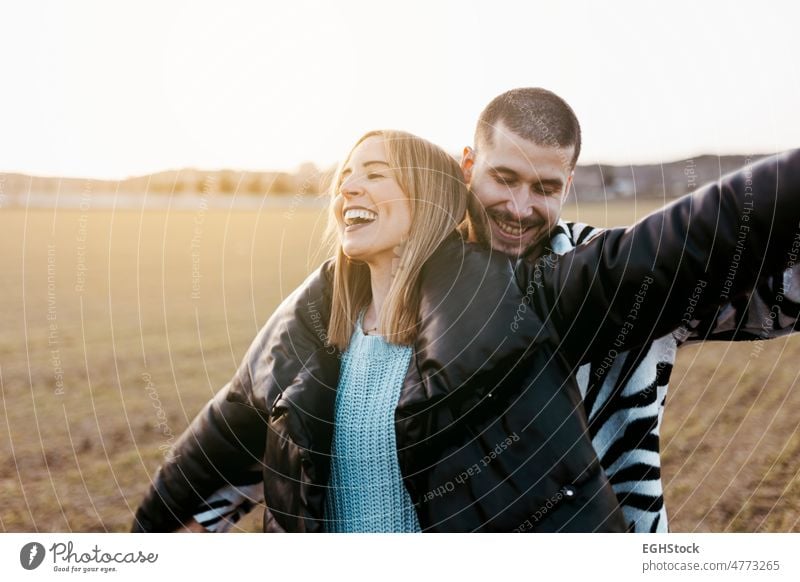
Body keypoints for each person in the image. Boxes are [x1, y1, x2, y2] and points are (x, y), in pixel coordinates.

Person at [160, 89, 800, 533]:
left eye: (545, 188)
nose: (521, 208)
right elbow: (246, 423)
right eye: (504, 180)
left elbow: (713, 253)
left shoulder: (583, 273)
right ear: (468, 165)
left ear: (568, 185)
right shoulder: (346, 291)